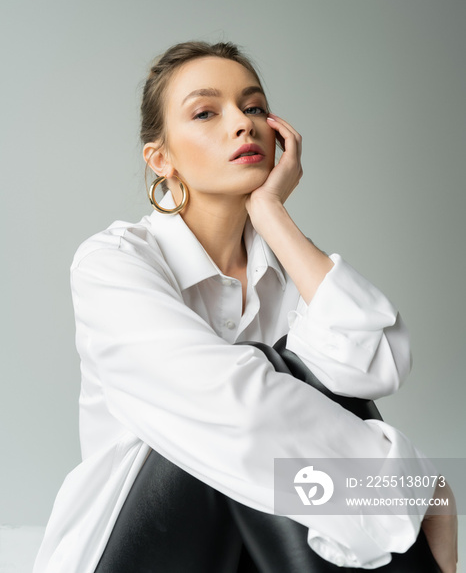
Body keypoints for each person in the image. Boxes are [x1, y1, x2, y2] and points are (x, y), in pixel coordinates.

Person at [33, 41, 457, 573]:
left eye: (253, 107)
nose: (243, 124)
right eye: (207, 112)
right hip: (144, 547)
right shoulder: (112, 263)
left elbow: (374, 366)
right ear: (161, 159)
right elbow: (236, 412)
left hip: (250, 554)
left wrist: (273, 216)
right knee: (260, 388)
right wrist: (413, 486)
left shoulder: (283, 272)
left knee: (313, 387)